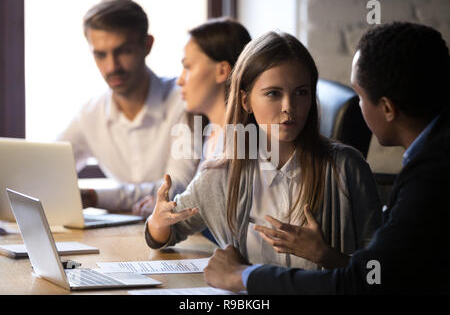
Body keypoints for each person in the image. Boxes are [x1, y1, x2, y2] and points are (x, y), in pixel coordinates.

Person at [203, 22, 450, 294]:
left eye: (359, 95)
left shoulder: (429, 180)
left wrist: (243, 276)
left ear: (387, 108)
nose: (289, 108)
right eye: (274, 93)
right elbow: (380, 273)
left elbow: (364, 283)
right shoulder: (430, 158)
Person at [145, 31, 381, 271]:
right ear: (245, 101)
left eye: (301, 92)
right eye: (273, 94)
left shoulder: (346, 166)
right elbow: (166, 234)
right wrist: (159, 220)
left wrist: (324, 255)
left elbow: (378, 272)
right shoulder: (222, 172)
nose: (289, 108)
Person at [57, 0, 198, 213]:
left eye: (123, 51)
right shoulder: (90, 114)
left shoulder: (185, 103)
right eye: (100, 54)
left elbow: (177, 189)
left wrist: (95, 197)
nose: (112, 66)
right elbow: (48, 169)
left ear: (147, 45)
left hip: (183, 237)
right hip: (122, 236)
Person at [132, 18, 251, 239]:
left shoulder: (242, 144)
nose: (180, 81)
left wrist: (174, 215)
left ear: (222, 71)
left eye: (188, 67)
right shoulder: (209, 133)